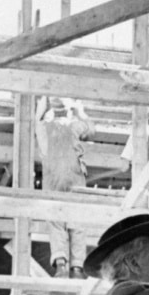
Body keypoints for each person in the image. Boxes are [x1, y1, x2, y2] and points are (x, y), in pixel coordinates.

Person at [35, 96, 95, 278]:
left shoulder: (44, 127)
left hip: (53, 177)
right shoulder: (74, 126)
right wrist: (81, 111)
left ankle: (61, 265)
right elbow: (91, 129)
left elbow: (37, 119)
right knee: (77, 219)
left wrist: (41, 107)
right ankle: (77, 267)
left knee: (55, 220)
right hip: (74, 176)